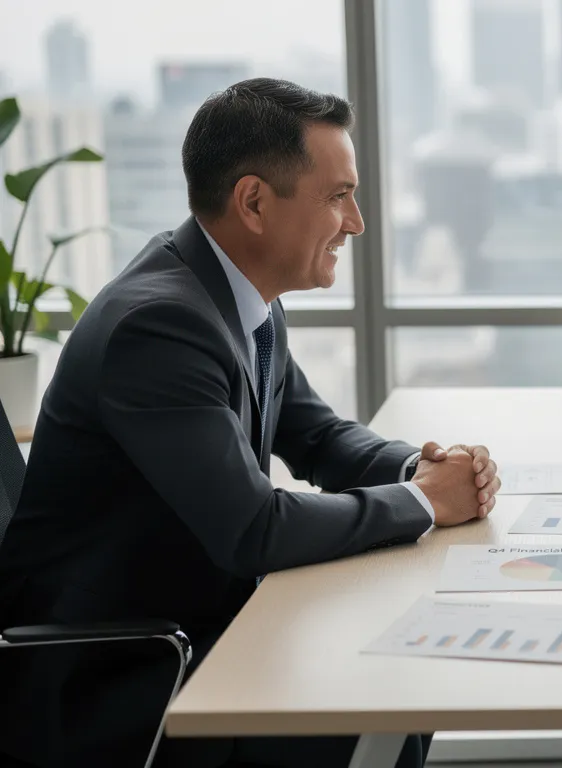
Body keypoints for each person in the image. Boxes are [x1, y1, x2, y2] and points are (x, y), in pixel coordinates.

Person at [0, 79, 501, 767]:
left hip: (200, 622)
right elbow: (253, 529)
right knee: (385, 696)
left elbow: (319, 437)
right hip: (118, 674)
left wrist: (422, 469)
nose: (355, 222)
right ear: (255, 203)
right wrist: (422, 504)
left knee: (398, 689)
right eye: (338, 196)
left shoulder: (235, 296)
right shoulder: (160, 326)